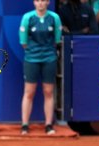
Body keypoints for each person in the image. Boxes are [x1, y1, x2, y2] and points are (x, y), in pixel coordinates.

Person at [19, 0, 62, 135]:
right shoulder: (27, 17)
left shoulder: (54, 18)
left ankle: (48, 125)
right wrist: (35, 51)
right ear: (34, 2)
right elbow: (24, 42)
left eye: (43, 0)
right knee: (29, 92)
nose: (41, 3)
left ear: (48, 2)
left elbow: (57, 40)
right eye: (38, 0)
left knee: (48, 91)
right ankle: (25, 125)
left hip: (49, 58)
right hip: (31, 59)